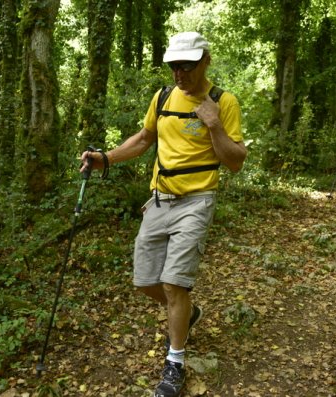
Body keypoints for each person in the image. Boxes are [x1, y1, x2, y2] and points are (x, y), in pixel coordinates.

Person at [81, 31, 246, 397]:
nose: (179, 73)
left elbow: (234, 162)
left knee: (174, 284)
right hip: (159, 200)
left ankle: (175, 362)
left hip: (197, 201)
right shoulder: (163, 97)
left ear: (206, 60)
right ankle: (188, 313)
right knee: (145, 281)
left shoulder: (224, 102)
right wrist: (104, 158)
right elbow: (143, 140)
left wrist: (214, 123)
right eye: (174, 65)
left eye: (187, 65)